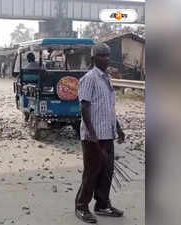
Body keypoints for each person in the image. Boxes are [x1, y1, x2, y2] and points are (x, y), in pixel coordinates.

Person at [75, 43, 126, 223]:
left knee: (106, 171)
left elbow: (108, 108)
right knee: (92, 172)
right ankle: (81, 206)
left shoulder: (107, 78)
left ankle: (102, 205)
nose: (106, 58)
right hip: (93, 136)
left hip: (107, 134)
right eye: (102, 55)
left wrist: (118, 128)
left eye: (108, 55)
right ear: (94, 58)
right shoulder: (89, 78)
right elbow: (84, 107)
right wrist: (91, 133)